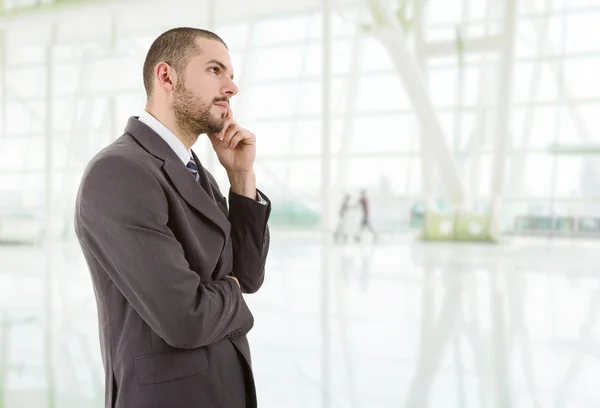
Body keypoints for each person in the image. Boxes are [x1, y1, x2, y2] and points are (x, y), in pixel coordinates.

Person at [74, 27, 271, 408]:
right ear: (166, 76)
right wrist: (229, 294)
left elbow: (247, 277)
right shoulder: (119, 172)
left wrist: (242, 177)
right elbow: (186, 318)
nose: (232, 88)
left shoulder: (197, 173)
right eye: (215, 70)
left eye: (231, 74)